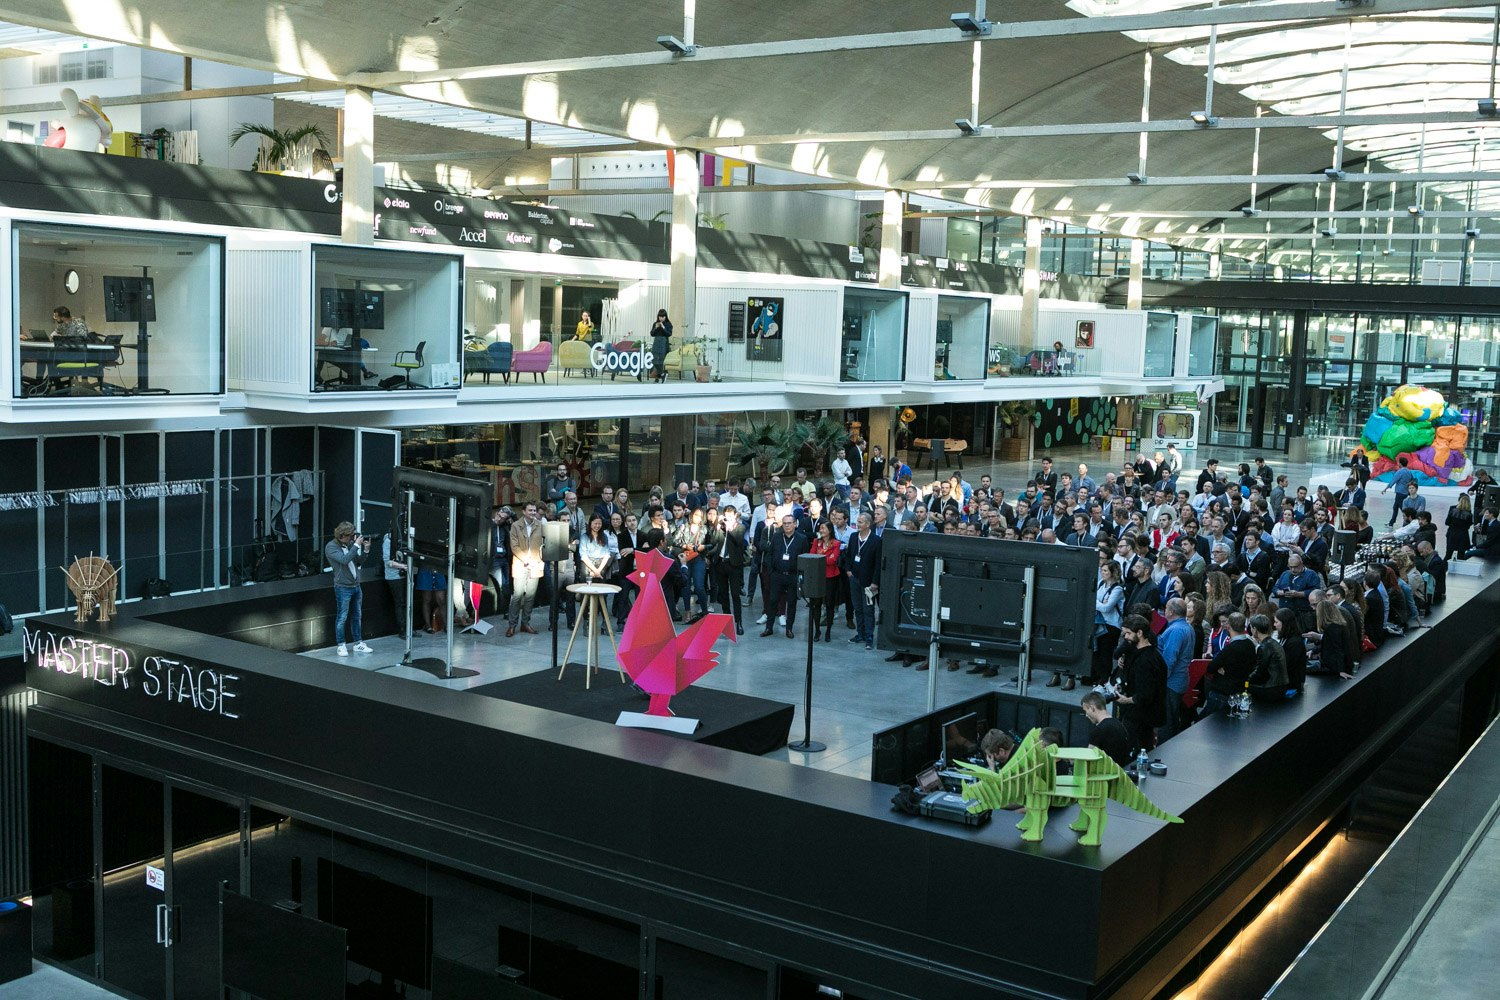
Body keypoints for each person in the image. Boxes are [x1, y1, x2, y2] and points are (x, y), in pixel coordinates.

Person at [1113, 614, 1166, 755]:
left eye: (1128, 633)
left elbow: (1145, 695)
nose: (1125, 637)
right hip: (1141, 716)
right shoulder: (1149, 654)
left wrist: (1126, 700)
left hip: (1139, 717)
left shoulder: (1145, 661)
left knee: (1134, 751)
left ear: (1140, 633)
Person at [324, 522, 372, 656]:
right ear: (342, 535)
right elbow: (344, 560)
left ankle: (358, 643)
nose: (352, 538)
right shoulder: (331, 547)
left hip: (356, 586)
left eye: (353, 536)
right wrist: (356, 545)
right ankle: (341, 644)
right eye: (350, 536)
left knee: (357, 615)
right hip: (343, 587)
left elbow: (358, 562)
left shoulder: (350, 544)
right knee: (342, 617)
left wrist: (366, 550)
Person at [762, 514, 810, 638]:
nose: (787, 525)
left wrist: (801, 577)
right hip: (777, 575)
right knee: (772, 601)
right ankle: (769, 627)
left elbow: (805, 558)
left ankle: (789, 629)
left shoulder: (802, 539)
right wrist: (771, 571)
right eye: (784, 523)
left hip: (793, 576)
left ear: (795, 524)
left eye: (789, 523)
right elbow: (770, 554)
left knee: (792, 603)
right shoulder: (776, 537)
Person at [842, 512, 882, 650]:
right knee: (857, 608)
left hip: (868, 582)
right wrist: (848, 570)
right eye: (857, 521)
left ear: (867, 524)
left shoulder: (876, 540)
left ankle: (869, 636)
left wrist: (875, 582)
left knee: (868, 610)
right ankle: (860, 633)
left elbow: (878, 564)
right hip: (854, 578)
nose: (857, 524)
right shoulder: (853, 537)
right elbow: (847, 556)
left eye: (860, 522)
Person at [1156, 598, 1195, 738]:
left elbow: (1169, 660)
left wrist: (1159, 681)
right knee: (1172, 719)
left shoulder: (1176, 630)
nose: (1164, 610)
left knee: (1167, 723)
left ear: (1171, 611)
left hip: (1171, 683)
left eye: (1166, 608)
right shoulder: (1187, 627)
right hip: (1179, 679)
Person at [506, 502, 545, 637]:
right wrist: (526, 560)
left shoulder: (540, 525)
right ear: (524, 511)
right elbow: (514, 546)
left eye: (534, 510)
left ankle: (525, 623)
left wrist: (536, 560)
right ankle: (512, 625)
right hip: (520, 564)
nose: (533, 513)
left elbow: (543, 544)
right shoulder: (515, 526)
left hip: (535, 564)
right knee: (517, 596)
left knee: (530, 597)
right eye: (530, 510)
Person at [1206, 612, 1256, 715]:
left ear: (1228, 626)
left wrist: (1222, 668)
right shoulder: (1250, 644)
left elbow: (1211, 668)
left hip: (1223, 693)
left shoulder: (1230, 649)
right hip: (1240, 691)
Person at [711, 506, 749, 635]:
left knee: (735, 594)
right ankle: (727, 621)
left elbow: (739, 541)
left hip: (734, 566)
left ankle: (738, 622)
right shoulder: (721, 527)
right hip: (721, 563)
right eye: (726, 514)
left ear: (735, 515)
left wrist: (729, 528)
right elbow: (713, 541)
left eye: (731, 515)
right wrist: (717, 529)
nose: (728, 517)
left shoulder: (740, 527)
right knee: (723, 594)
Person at [808, 521, 842, 642]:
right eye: (820, 528)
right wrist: (825, 558)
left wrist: (820, 558)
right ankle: (817, 630)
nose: (821, 530)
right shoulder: (816, 542)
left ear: (830, 530)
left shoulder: (836, 543)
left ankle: (828, 631)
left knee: (829, 604)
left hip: (830, 577)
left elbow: (833, 561)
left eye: (823, 528)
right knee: (816, 604)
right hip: (817, 577)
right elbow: (811, 556)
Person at [1080, 691, 1132, 768]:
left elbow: (1087, 761)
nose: (1086, 715)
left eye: (1086, 711)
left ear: (1092, 708)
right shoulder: (1119, 724)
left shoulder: (1099, 730)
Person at [1246, 614, 1289, 701]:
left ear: (1254, 629)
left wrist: (1246, 679)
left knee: (1241, 686)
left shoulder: (1264, 647)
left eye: (1251, 628)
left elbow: (1260, 671)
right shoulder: (1274, 643)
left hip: (1271, 688)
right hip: (1282, 685)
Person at [382, 530, 409, 634]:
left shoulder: (403, 539)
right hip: (394, 577)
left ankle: (408, 627)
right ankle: (402, 628)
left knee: (407, 602)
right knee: (400, 602)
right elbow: (387, 561)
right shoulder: (388, 541)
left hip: (405, 575)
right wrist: (403, 566)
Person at [577, 514, 617, 583]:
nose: (597, 526)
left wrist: (598, 571)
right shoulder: (584, 537)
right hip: (587, 566)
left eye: (599, 524)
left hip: (601, 566)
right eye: (595, 523)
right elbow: (583, 556)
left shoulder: (604, 537)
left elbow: (607, 555)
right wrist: (595, 571)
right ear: (590, 523)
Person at [1381, 456, 1416, 526]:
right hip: (1405, 492)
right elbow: (1411, 480)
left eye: (1398, 463)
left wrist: (1386, 488)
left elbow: (1394, 480)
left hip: (1400, 492)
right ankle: (1391, 522)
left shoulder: (1400, 471)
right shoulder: (1409, 472)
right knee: (1395, 507)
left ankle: (1408, 522)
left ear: (1400, 463)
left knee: (1403, 509)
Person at [1445, 493, 1474, 562]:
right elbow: (1468, 526)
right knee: (1461, 557)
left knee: (1448, 555)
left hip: (1452, 534)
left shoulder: (1452, 510)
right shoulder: (1469, 514)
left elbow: (1447, 522)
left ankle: (1443, 570)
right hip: (1463, 536)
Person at [649, 308, 673, 383]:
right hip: (656, 343)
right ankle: (663, 374)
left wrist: (663, 327)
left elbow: (669, 334)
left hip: (664, 343)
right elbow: (652, 334)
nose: (661, 318)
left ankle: (658, 377)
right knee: (654, 360)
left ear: (665, 317)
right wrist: (656, 328)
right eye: (660, 316)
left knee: (661, 361)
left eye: (663, 317)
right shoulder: (655, 324)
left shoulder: (668, 324)